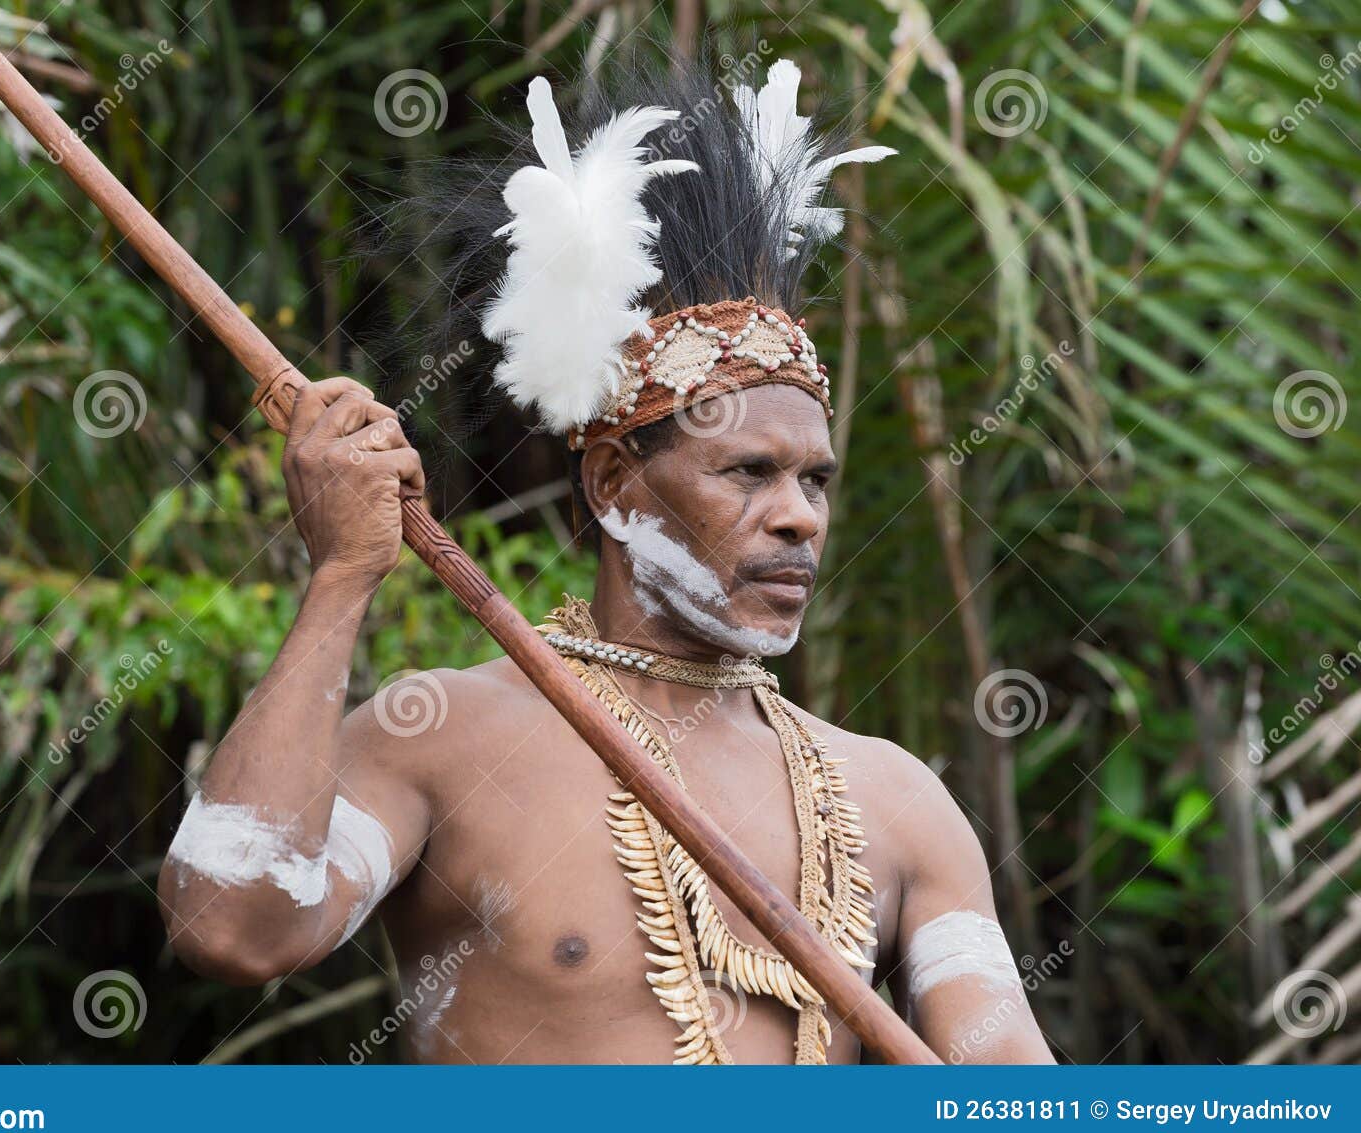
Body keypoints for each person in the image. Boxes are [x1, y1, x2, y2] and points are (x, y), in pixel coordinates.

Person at [158, 52, 1054, 1065]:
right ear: (616, 487)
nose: (799, 518)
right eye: (748, 471)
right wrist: (342, 577)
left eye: (815, 481)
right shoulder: (443, 736)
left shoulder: (894, 799)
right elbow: (228, 928)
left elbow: (1007, 1087)